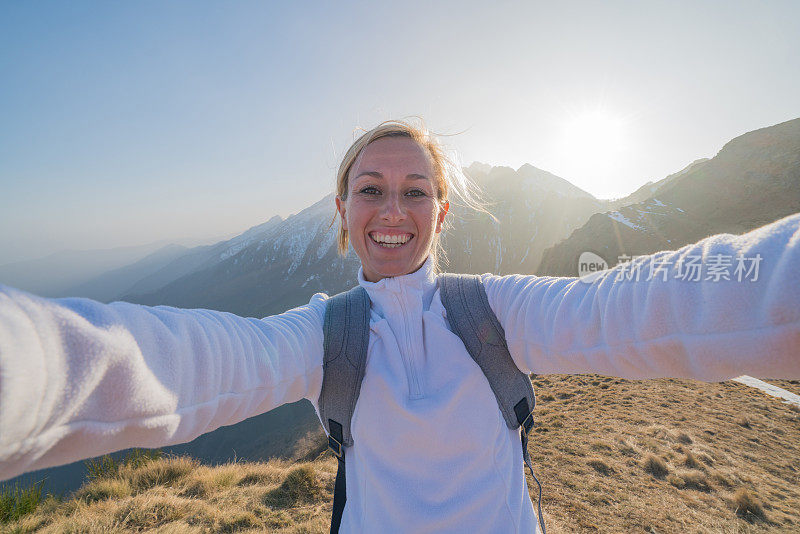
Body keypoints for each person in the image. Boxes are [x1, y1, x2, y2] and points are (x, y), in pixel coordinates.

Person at [0, 119, 799, 534]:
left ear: (441, 214)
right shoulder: (323, 337)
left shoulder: (499, 312)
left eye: (415, 191)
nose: (393, 210)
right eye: (371, 190)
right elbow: (182, 362)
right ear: (343, 213)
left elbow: (634, 303)